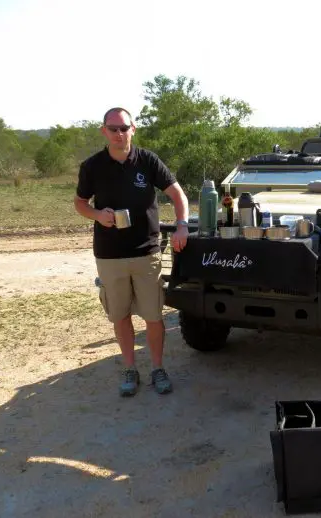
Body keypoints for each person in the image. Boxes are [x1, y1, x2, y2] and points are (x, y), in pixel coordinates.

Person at [74, 107, 190, 396]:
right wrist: (98, 215)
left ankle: (158, 369)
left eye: (124, 128)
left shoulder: (148, 161)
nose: (119, 133)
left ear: (133, 129)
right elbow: (80, 203)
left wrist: (182, 226)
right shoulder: (92, 166)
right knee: (120, 315)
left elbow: (178, 195)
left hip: (146, 251)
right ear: (104, 131)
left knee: (153, 316)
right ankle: (129, 369)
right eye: (113, 128)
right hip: (109, 254)